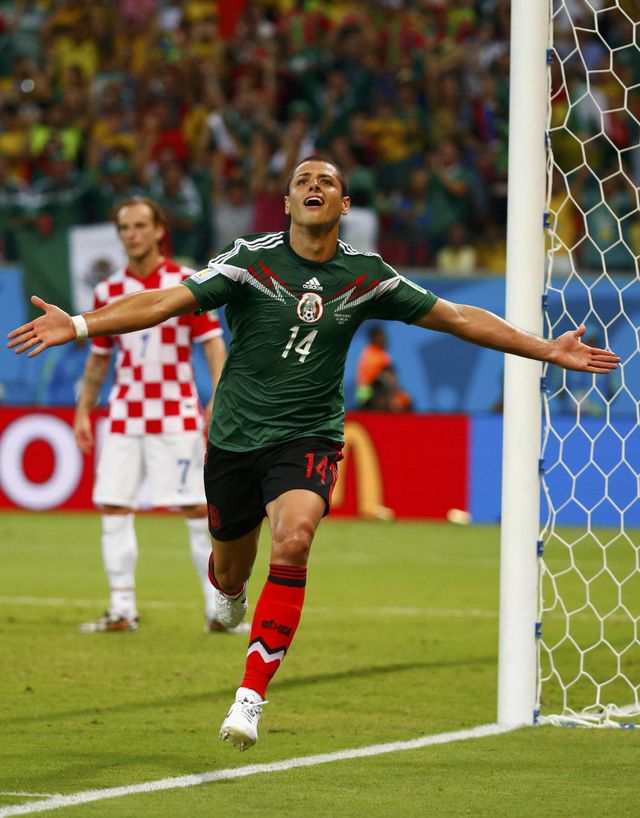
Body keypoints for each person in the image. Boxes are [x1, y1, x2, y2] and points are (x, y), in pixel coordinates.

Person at [8, 156, 620, 752]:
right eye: (303, 179)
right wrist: (83, 326)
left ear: (344, 205)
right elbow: (166, 301)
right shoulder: (249, 262)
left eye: (326, 181)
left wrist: (545, 349)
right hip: (235, 440)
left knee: (295, 536)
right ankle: (229, 595)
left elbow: (456, 316)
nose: (313, 186)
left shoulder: (367, 275)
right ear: (288, 202)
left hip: (309, 434)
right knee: (227, 573)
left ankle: (250, 696)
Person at [70, 196, 234, 635]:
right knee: (114, 506)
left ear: (160, 229)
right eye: (125, 227)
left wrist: (218, 396)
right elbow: (99, 359)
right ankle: (122, 609)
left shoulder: (185, 283)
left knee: (199, 510)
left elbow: (213, 344)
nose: (132, 234)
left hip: (177, 414)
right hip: (124, 415)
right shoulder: (107, 291)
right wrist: (85, 409)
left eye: (141, 225)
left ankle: (218, 611)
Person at [355, 325, 392, 407]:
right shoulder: (371, 355)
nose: (384, 340)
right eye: (380, 337)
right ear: (373, 339)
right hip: (368, 396)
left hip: (369, 394)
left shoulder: (380, 354)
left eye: (384, 337)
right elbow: (375, 380)